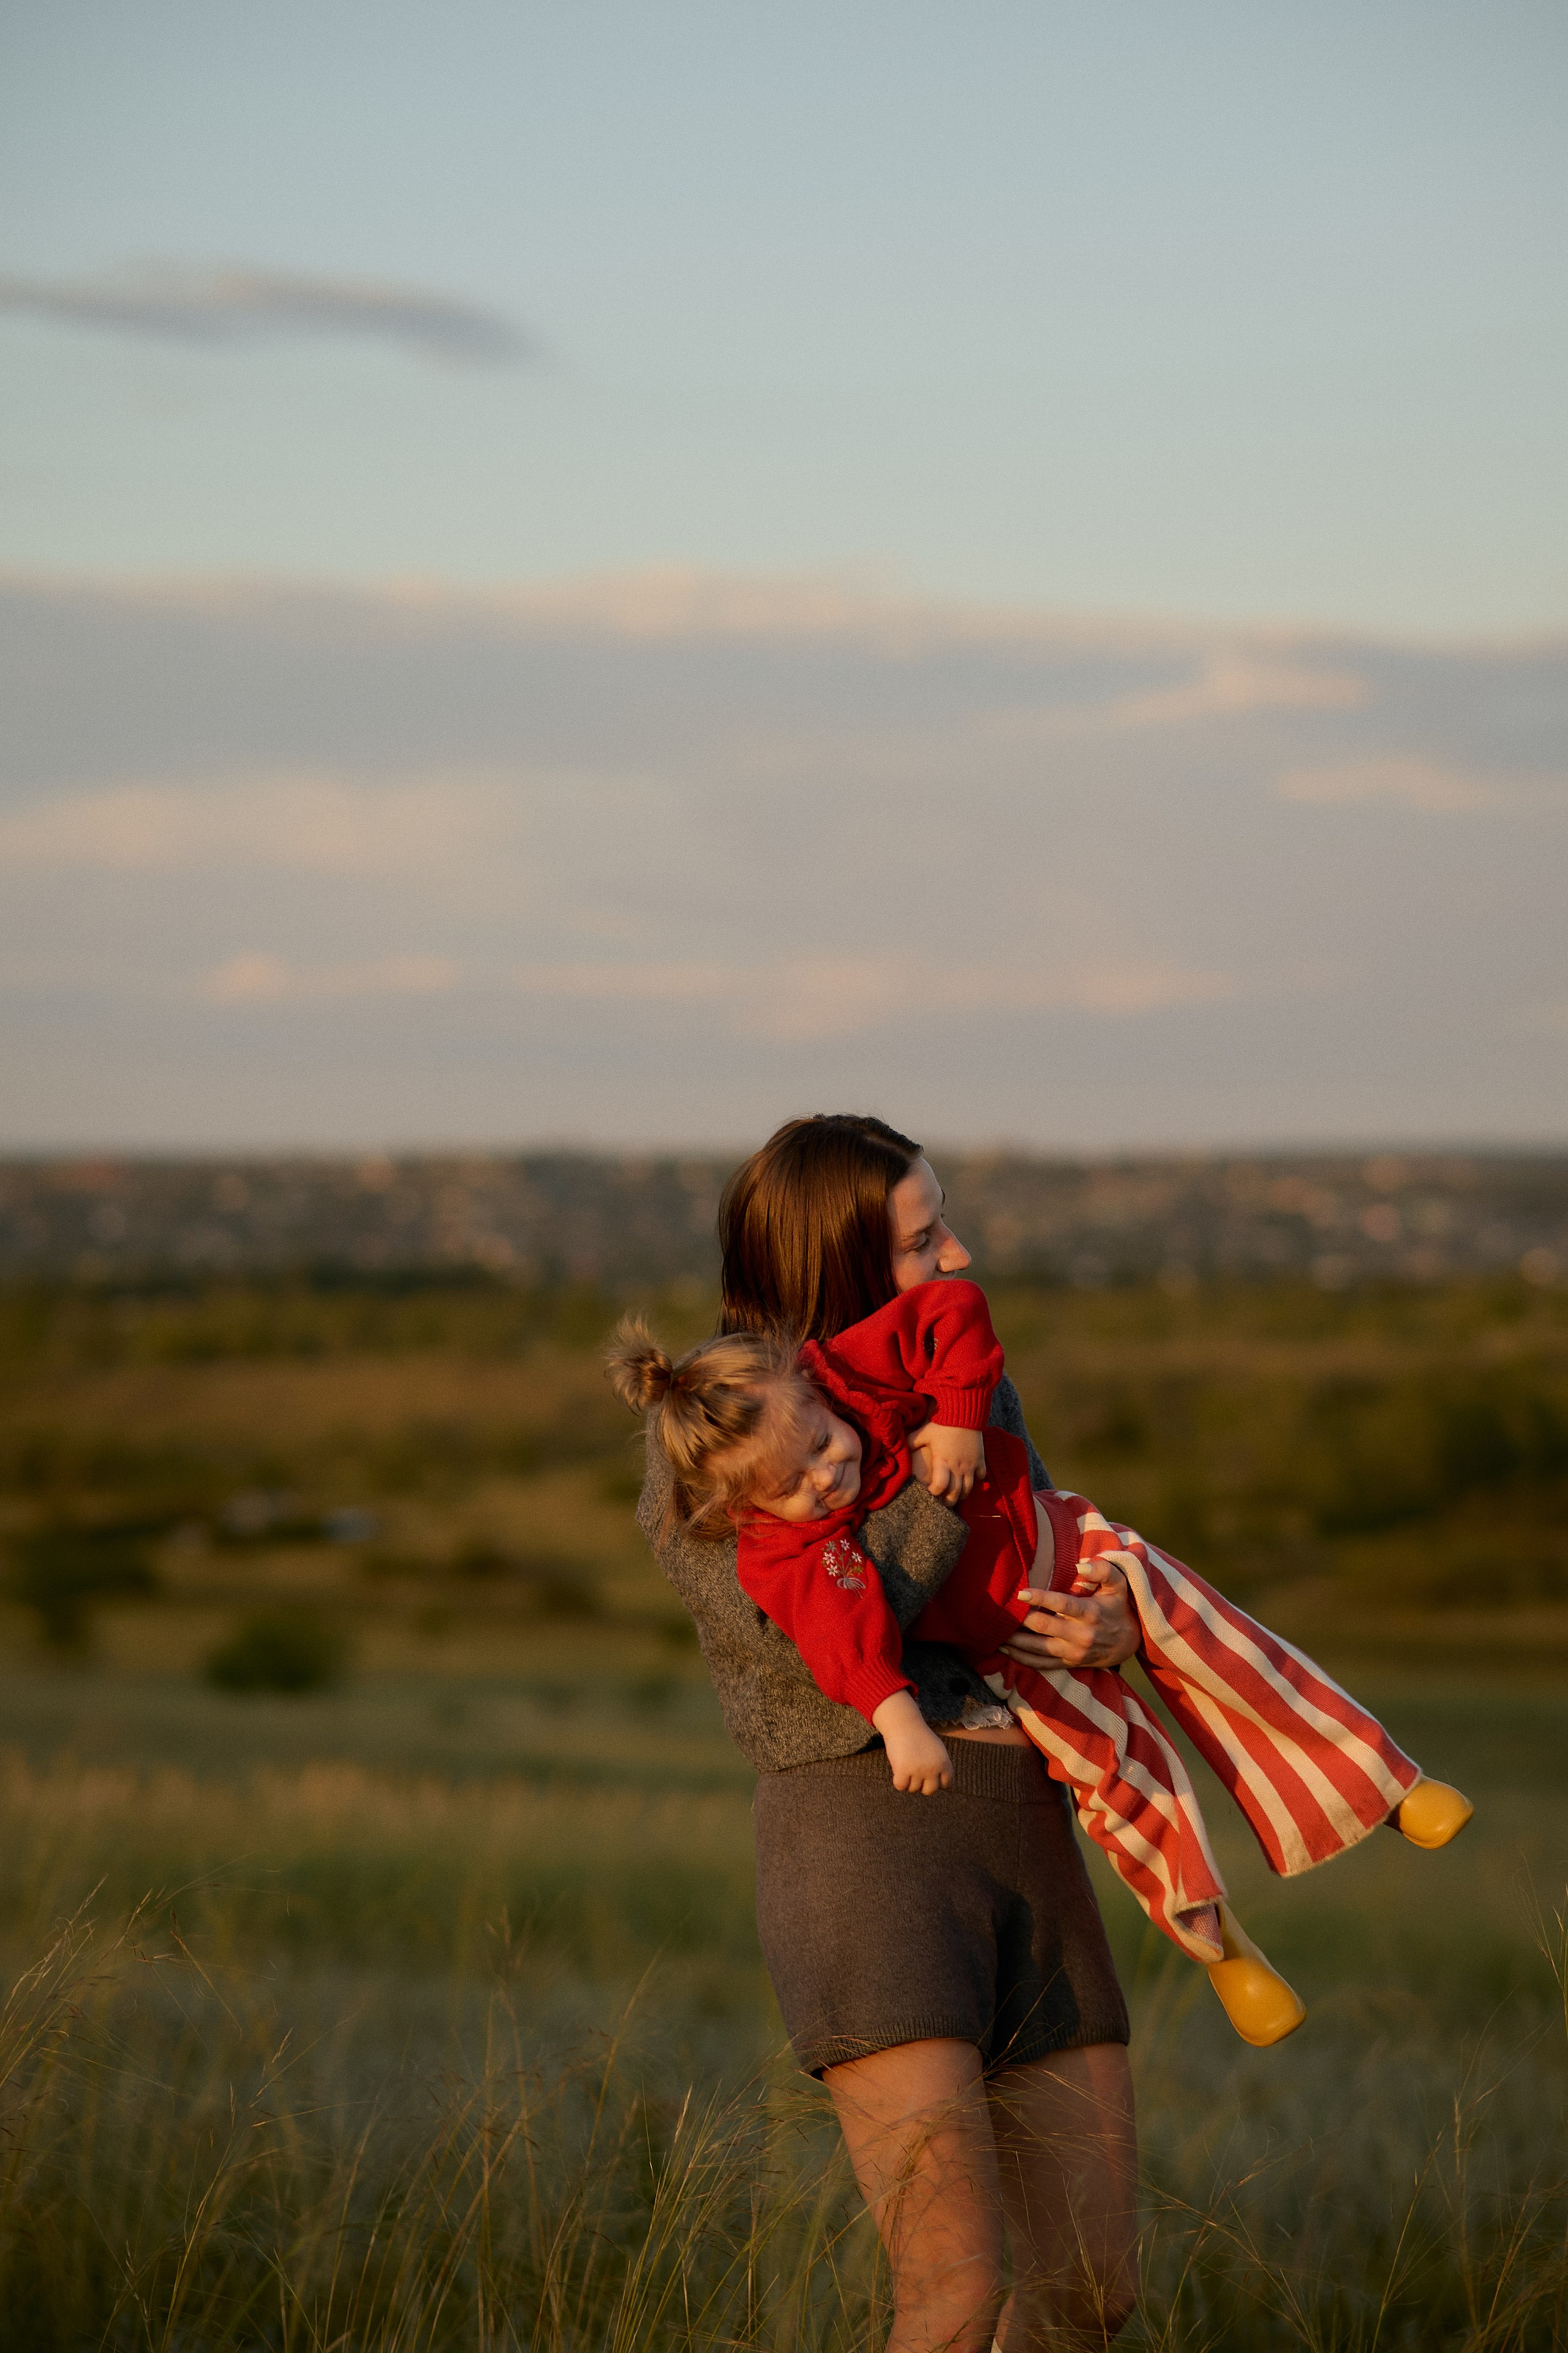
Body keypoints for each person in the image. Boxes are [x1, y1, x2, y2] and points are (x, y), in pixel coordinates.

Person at [610, 1273, 1471, 2050]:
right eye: (793, 1483)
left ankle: (1386, 1782)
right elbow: (841, 1638)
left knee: (1214, 1643)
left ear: (811, 1384)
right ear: (743, 1504)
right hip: (1013, 1651)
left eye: (825, 1446)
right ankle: (1220, 1945)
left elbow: (952, 1309)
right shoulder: (788, 1550)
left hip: (1077, 1543)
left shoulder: (846, 1371)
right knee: (1119, 1779)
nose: (828, 1478)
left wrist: (954, 1412)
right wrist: (899, 1716)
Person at [631, 1113, 1141, 2353]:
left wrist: (1108, 1618)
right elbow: (815, 1646)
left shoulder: (964, 1385)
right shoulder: (713, 1434)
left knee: (1090, 2296)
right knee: (950, 2300)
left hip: (1026, 1829)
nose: (956, 1257)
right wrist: (933, 1471)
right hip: (863, 1846)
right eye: (921, 1244)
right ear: (835, 1267)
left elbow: (1044, 1543)